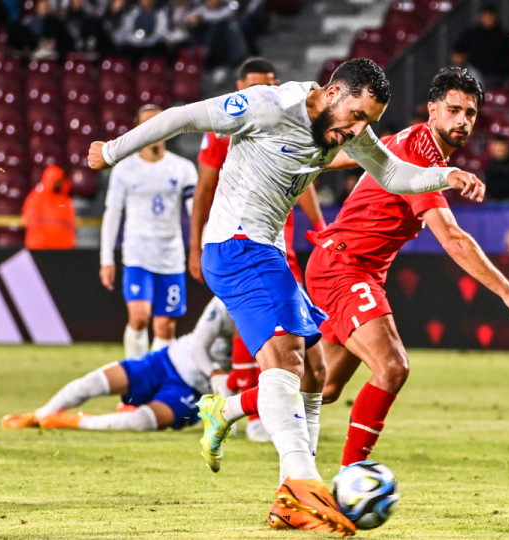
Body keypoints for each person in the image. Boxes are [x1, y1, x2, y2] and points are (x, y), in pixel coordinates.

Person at [86, 58, 485, 536]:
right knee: (287, 362)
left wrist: (448, 175)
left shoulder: (351, 131)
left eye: (369, 123)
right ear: (335, 93)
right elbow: (182, 117)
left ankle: (284, 497)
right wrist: (111, 152)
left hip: (267, 250)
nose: (359, 130)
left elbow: (395, 175)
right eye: (356, 116)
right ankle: (302, 485)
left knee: (315, 372)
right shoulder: (269, 105)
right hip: (234, 246)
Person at [198, 67, 509, 473]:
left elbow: (349, 155)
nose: (462, 121)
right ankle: (351, 481)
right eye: (453, 110)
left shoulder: (412, 145)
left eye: (470, 114)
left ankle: (224, 410)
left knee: (324, 386)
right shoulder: (420, 151)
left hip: (351, 267)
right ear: (432, 110)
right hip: (343, 267)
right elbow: (452, 238)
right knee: (392, 365)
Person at [189, 57, 326, 444]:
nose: (263, 90)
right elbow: (203, 189)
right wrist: (194, 246)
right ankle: (257, 418)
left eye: (269, 82)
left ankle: (237, 410)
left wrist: (319, 226)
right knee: (272, 343)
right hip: (240, 242)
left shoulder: (290, 120)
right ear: (238, 86)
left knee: (307, 360)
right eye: (254, 84)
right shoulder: (222, 129)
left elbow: (308, 177)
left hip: (280, 245)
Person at [1, 297, 236, 432]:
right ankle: (38, 416)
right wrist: (215, 373)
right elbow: (198, 347)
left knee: (142, 422)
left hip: (195, 391)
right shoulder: (226, 299)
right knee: (93, 382)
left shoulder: (270, 313)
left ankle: (74, 421)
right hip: (167, 360)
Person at [100, 104, 197, 360]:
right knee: (140, 317)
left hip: (171, 257)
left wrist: (202, 245)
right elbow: (112, 213)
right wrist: (106, 259)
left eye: (159, 124)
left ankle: (156, 383)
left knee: (166, 327)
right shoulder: (124, 169)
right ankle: (134, 385)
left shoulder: (183, 168)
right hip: (137, 255)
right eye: (147, 125)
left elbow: (195, 212)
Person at [452, 3, 509, 88]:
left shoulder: (503, 37)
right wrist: (459, 59)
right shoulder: (471, 33)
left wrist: (489, 68)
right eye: (485, 15)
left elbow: (506, 63)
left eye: (490, 16)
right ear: (480, 16)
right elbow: (458, 50)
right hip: (471, 71)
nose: (488, 18)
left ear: (495, 18)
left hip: (492, 76)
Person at [22, 164, 76, 250]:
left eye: (60, 180)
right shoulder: (36, 197)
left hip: (62, 249)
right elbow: (30, 221)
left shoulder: (65, 200)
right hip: (39, 248)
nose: (58, 183)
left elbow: (70, 224)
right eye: (56, 180)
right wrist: (43, 241)